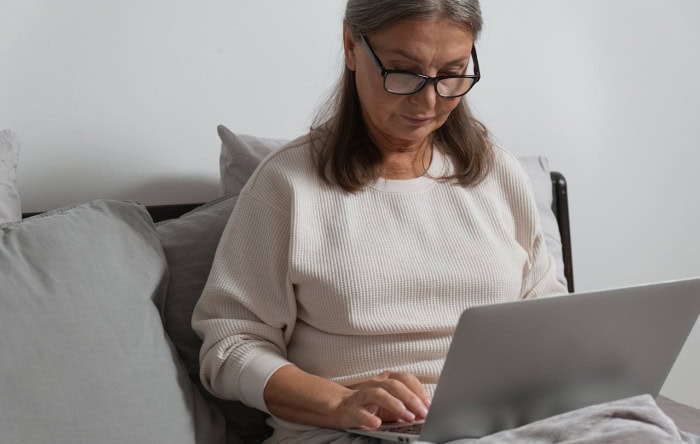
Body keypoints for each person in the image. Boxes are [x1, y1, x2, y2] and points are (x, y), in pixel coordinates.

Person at [192, 0, 567, 442]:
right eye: (403, 71)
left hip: (501, 425)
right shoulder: (286, 185)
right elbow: (229, 347)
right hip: (352, 433)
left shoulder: (497, 172)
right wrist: (339, 404)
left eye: (452, 73)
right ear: (352, 45)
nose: (428, 101)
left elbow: (549, 318)